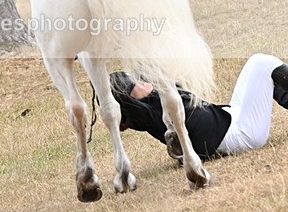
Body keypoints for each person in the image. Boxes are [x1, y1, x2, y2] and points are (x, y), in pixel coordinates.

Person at [110, 53, 288, 161]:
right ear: (130, 101)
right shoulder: (152, 114)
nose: (141, 80)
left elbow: (151, 65)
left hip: (233, 118)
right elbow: (123, 110)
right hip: (242, 133)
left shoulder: (163, 97)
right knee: (263, 64)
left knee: (256, 63)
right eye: (134, 83)